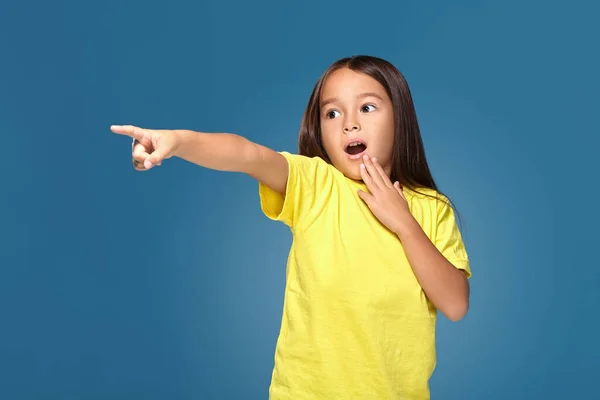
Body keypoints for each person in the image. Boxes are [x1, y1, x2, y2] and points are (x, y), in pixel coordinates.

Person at [111, 55, 471, 400]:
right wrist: (179, 142)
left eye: (367, 107)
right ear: (321, 130)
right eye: (333, 113)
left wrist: (404, 223)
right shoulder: (316, 184)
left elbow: (455, 304)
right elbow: (247, 155)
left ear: (400, 117)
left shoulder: (431, 209)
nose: (349, 123)